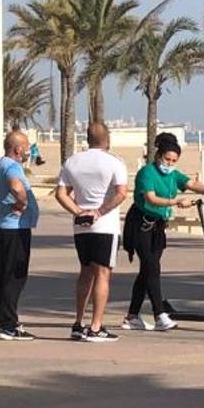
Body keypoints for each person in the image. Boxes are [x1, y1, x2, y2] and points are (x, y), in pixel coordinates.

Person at [122, 131, 204, 330]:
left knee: (148, 270)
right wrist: (176, 201)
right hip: (140, 224)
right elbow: (150, 198)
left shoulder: (173, 175)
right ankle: (160, 314)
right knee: (152, 267)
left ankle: (132, 316)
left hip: (158, 226)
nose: (169, 164)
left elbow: (191, 183)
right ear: (158, 155)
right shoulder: (147, 173)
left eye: (173, 161)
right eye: (167, 159)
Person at [55, 120, 129, 343]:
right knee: (103, 273)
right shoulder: (115, 162)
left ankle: (79, 323)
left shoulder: (72, 162)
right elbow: (122, 193)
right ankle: (96, 327)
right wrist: (99, 211)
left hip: (81, 227)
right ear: (107, 140)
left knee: (85, 271)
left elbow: (61, 194)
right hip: (104, 226)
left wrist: (79, 211)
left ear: (87, 139)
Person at [0, 128, 39, 340]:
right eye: (27, 147)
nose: (29, 151)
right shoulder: (11, 166)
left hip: (5, 228)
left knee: (3, 276)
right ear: (18, 149)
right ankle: (7, 323)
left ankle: (2, 320)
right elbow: (16, 186)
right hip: (14, 229)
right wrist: (23, 202)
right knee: (14, 277)